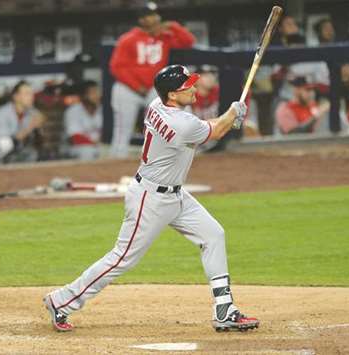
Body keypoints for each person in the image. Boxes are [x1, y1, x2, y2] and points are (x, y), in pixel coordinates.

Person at [43, 65, 259, 333]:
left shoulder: (158, 105)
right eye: (187, 86)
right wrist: (232, 114)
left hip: (175, 194)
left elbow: (210, 127)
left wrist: (227, 120)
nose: (193, 88)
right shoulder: (179, 122)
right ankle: (62, 301)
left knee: (213, 234)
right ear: (172, 94)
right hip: (151, 199)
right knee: (122, 258)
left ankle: (224, 309)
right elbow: (213, 132)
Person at [108, 1, 195, 158]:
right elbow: (116, 67)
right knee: (122, 132)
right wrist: (136, 86)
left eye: (155, 15)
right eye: (149, 16)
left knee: (178, 109)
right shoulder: (128, 39)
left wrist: (173, 26)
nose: (154, 19)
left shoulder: (165, 37)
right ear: (141, 20)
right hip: (127, 89)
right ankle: (116, 163)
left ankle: (176, 154)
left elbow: (189, 42)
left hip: (153, 89)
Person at [0, 81, 45, 166]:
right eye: (27, 94)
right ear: (15, 97)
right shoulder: (0, 115)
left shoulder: (32, 112)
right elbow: (6, 147)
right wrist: (30, 127)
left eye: (32, 94)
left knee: (34, 155)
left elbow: (38, 144)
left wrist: (38, 129)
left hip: (15, 158)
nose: (31, 97)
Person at [63, 80, 103, 161]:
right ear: (84, 96)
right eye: (93, 93)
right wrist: (95, 143)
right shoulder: (73, 111)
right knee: (88, 151)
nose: (97, 96)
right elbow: (75, 138)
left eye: (98, 92)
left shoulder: (103, 110)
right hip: (77, 148)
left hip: (99, 145)